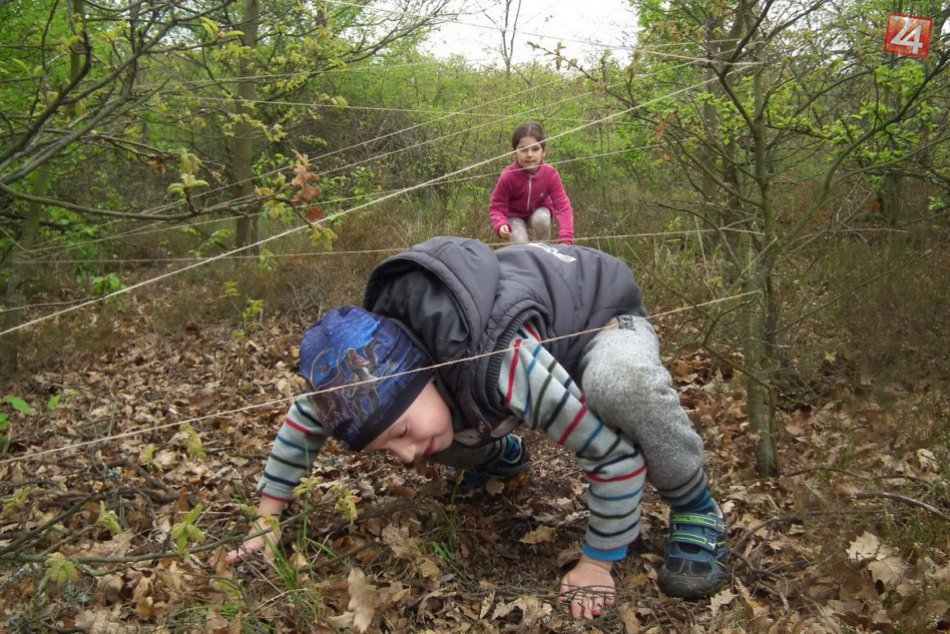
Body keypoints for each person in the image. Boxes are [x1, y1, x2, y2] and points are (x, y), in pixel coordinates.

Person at [225, 237, 730, 621]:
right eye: (386, 446)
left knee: (622, 384)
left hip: (600, 315)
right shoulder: (371, 368)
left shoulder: (506, 364)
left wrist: (598, 562)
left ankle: (695, 507)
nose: (402, 455)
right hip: (481, 373)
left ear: (424, 373)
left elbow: (615, 458)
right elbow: (306, 415)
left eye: (399, 430)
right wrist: (267, 520)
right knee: (433, 433)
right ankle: (500, 456)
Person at [489, 122, 575, 245]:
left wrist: (566, 238)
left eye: (535, 149)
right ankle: (523, 262)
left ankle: (542, 253)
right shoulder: (508, 175)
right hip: (514, 217)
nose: (529, 154)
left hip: (539, 212)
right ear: (515, 153)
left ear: (544, 151)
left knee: (542, 219)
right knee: (520, 241)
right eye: (523, 150)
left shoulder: (550, 174)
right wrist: (500, 223)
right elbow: (497, 206)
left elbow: (563, 207)